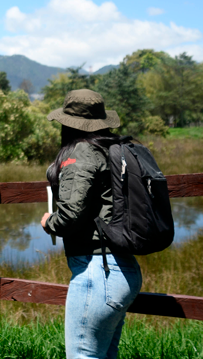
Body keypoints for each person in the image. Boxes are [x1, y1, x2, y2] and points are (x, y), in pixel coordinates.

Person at [40, 89, 143, 359]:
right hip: (123, 268)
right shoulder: (113, 149)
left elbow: (70, 214)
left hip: (98, 271)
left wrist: (49, 222)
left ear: (67, 123)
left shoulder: (83, 152)